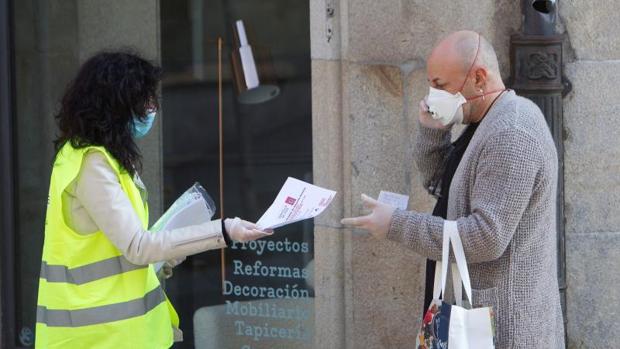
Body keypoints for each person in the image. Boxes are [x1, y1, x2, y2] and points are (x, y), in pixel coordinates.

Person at [341, 31, 565, 348]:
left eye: (441, 86)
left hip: (504, 328)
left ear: (478, 78)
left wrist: (396, 224)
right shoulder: (487, 120)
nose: (433, 94)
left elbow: (485, 237)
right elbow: (446, 191)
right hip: (473, 317)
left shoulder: (511, 133)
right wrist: (434, 132)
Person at [35, 51, 272, 348]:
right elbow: (137, 247)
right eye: (144, 99)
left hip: (118, 334)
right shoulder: (92, 164)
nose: (152, 108)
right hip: (100, 337)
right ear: (116, 104)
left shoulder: (96, 157)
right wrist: (224, 231)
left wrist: (168, 255)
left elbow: (121, 248)